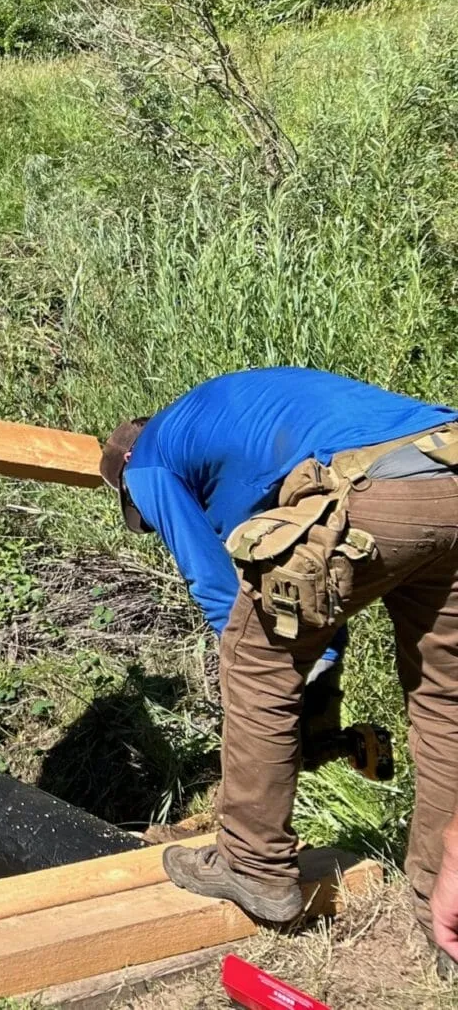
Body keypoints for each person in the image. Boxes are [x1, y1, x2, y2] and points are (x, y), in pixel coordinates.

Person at [103, 367, 458, 942]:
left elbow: (215, 584)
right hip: (448, 466)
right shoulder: (224, 431)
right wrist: (322, 678)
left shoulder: (146, 462)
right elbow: (307, 593)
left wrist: (269, 671)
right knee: (446, 704)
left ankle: (252, 866)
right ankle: (441, 904)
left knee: (253, 662)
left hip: (377, 484)